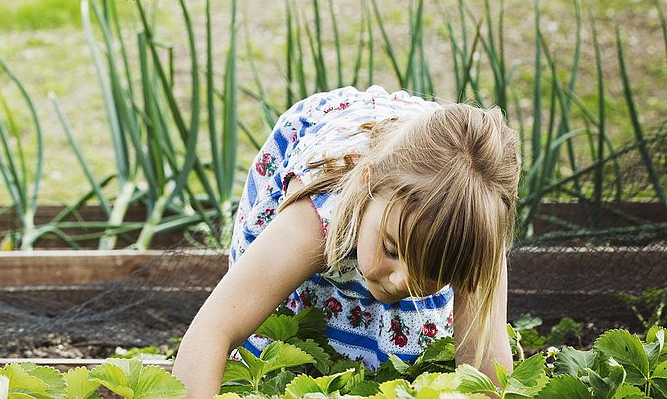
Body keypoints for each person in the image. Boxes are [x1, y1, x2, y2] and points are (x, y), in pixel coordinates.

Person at [173, 85, 519, 397]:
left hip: (442, 179)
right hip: (334, 167)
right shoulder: (314, 217)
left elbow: (485, 376)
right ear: (368, 187)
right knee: (275, 337)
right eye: (392, 250)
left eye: (433, 269)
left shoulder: (474, 229)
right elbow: (213, 330)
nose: (402, 280)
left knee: (409, 352)